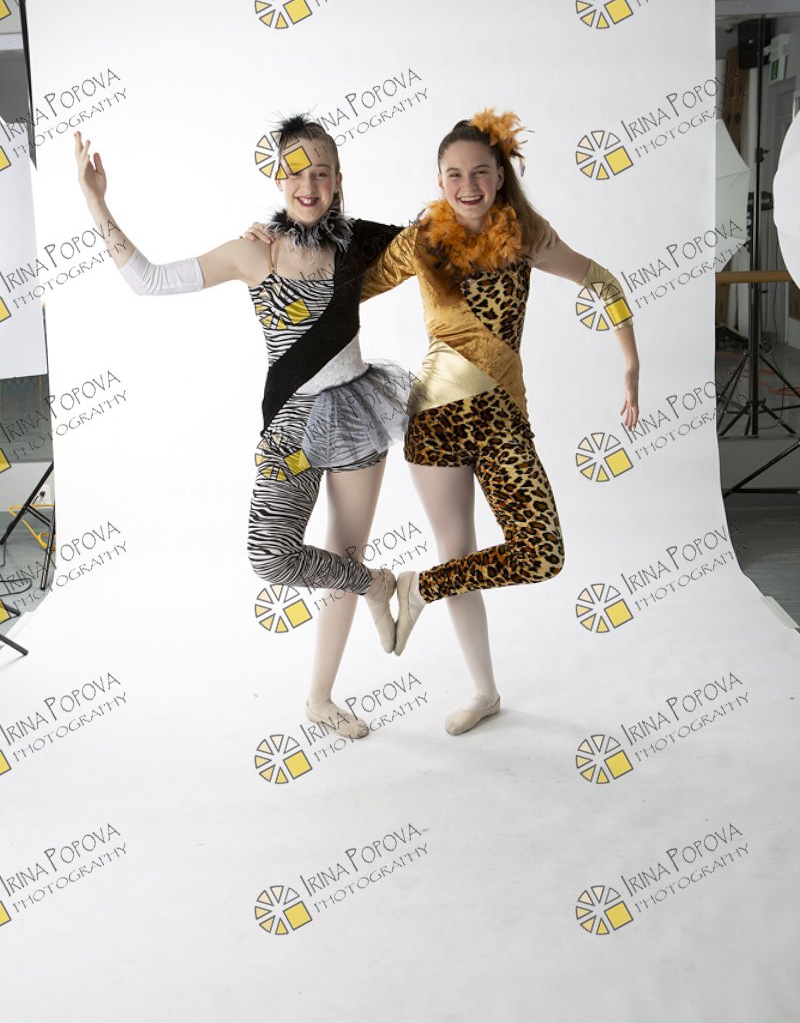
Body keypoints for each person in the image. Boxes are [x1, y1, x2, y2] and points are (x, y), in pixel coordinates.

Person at [74, 116, 413, 741]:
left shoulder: (358, 242)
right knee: (271, 554)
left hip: (356, 414)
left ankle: (320, 698)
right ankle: (381, 586)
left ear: (338, 181)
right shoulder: (254, 251)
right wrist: (97, 202)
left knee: (343, 553)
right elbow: (149, 280)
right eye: (295, 173)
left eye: (320, 174)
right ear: (278, 178)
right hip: (291, 425)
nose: (307, 186)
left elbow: (434, 245)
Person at [357, 109, 640, 734]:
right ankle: (484, 691)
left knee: (541, 553)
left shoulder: (525, 235)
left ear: (500, 175)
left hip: (502, 419)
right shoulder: (420, 242)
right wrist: (279, 247)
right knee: (458, 550)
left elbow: (602, 280)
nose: (469, 185)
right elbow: (344, 289)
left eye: (481, 172)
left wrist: (630, 365)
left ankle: (420, 587)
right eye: (455, 174)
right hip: (433, 420)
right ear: (439, 180)